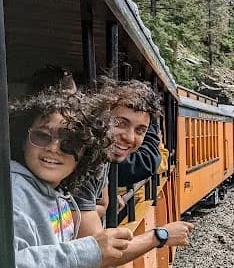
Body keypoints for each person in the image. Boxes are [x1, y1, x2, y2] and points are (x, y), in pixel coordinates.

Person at [10, 88, 134, 268]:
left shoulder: (55, 195)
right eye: (42, 136)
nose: (54, 148)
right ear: (23, 139)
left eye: (70, 142)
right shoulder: (12, 190)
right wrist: (89, 250)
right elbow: (10, 266)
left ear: (84, 154)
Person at [75, 79, 193, 247]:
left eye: (140, 130)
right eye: (120, 123)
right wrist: (161, 236)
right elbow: (97, 252)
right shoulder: (82, 162)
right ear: (100, 114)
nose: (129, 138)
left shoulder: (101, 161)